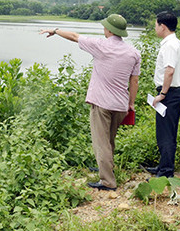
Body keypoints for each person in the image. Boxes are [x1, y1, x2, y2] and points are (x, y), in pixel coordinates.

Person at [40, 13, 140, 191]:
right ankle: (107, 168)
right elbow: (134, 81)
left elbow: (74, 36)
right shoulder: (133, 53)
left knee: (101, 143)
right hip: (120, 105)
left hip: (102, 104)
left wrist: (55, 30)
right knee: (109, 141)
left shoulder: (100, 46)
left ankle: (108, 181)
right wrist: (131, 104)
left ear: (108, 29)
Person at [146, 11, 180, 178]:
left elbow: (169, 71)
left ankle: (166, 171)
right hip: (174, 92)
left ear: (163, 26)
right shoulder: (177, 43)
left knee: (166, 134)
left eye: (156, 25)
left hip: (169, 93)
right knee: (167, 132)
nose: (155, 28)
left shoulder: (170, 45)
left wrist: (162, 94)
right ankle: (164, 165)